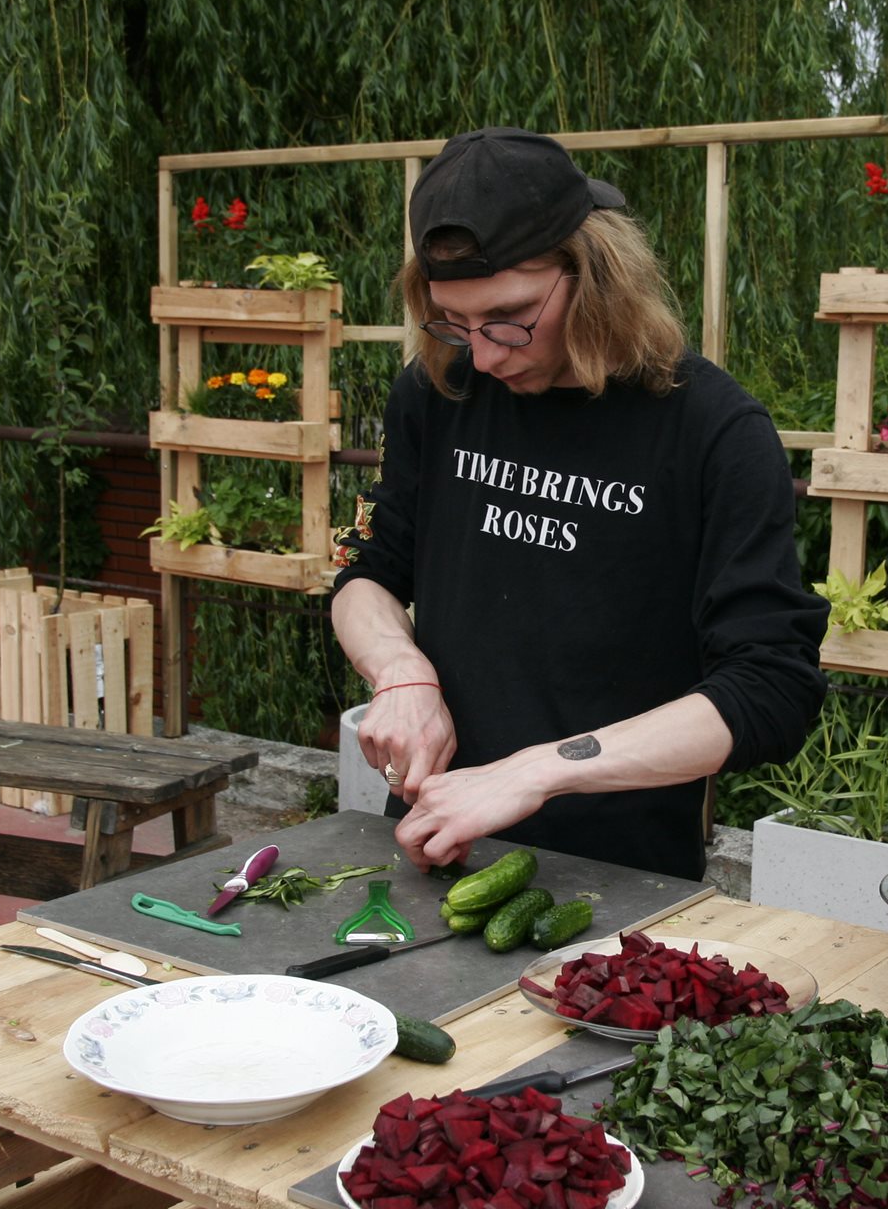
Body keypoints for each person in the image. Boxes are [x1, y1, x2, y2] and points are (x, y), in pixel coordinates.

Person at [331, 126, 828, 881]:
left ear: (593, 273)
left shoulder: (713, 431)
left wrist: (535, 772)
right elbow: (365, 572)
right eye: (456, 324)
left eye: (509, 317)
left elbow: (770, 687)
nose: (486, 354)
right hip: (435, 851)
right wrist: (401, 672)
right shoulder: (438, 392)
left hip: (620, 885)